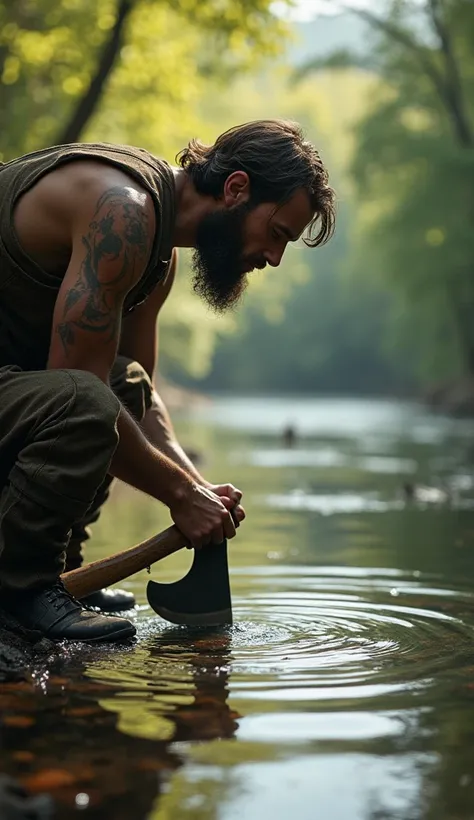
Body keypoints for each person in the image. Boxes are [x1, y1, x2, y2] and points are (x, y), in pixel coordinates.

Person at [0, 119, 336, 642]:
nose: (273, 258)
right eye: (276, 234)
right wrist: (180, 494)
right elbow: (83, 397)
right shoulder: (123, 214)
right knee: (86, 400)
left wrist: (196, 487)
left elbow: (133, 391)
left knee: (121, 386)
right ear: (236, 188)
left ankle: (64, 569)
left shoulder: (158, 256)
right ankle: (22, 586)